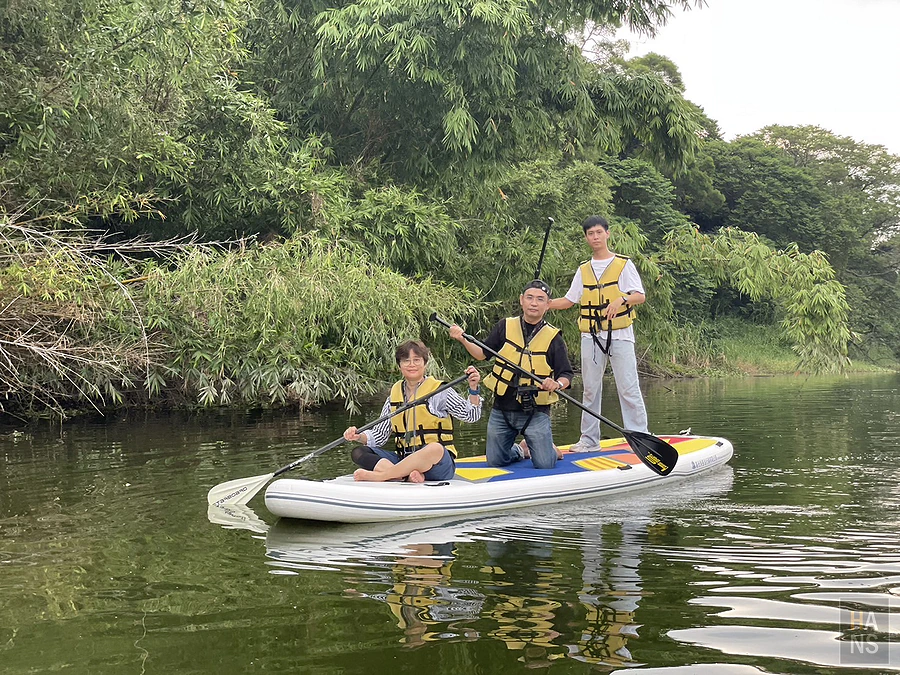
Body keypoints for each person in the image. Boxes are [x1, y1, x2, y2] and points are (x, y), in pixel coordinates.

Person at [549, 215, 648, 452]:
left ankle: (641, 436)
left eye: (598, 233)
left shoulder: (624, 264)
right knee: (591, 388)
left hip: (620, 334)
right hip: (591, 336)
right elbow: (569, 300)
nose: (595, 237)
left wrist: (621, 299)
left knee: (628, 386)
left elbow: (639, 296)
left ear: (607, 234)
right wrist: (543, 302)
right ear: (586, 238)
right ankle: (589, 440)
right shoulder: (583, 269)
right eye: (590, 234)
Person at [449, 280, 574, 469]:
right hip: (502, 408)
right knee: (496, 461)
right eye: (530, 298)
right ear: (522, 300)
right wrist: (462, 339)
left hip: (535, 411)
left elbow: (566, 374)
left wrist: (556, 384)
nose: (534, 303)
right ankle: (521, 449)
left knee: (545, 464)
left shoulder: (553, 337)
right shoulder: (504, 326)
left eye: (540, 299)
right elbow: (482, 354)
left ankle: (548, 449)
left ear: (548, 305)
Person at [343, 340, 482, 483]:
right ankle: (405, 475)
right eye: (406, 360)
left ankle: (383, 475)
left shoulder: (440, 392)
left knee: (435, 449)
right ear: (399, 366)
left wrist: (473, 389)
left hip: (437, 464)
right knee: (359, 452)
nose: (411, 364)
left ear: (425, 363)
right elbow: (379, 436)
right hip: (404, 459)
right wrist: (358, 436)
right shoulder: (393, 397)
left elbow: (471, 416)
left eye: (417, 360)